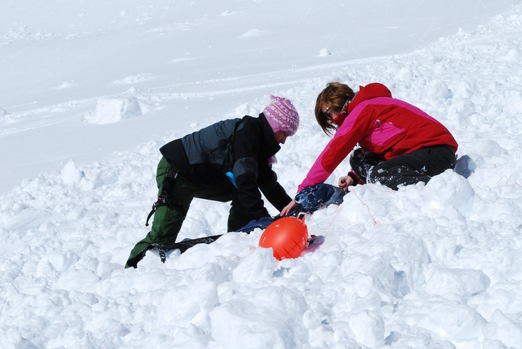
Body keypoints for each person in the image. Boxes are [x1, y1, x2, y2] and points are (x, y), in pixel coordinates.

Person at [126, 96, 300, 268]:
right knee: (162, 235)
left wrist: (292, 209)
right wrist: (262, 218)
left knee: (243, 195)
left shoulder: (258, 142)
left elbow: (267, 183)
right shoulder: (248, 133)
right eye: (284, 133)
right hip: (177, 171)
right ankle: (132, 269)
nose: (284, 140)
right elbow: (245, 179)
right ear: (274, 126)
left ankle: (238, 239)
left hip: (199, 175)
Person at [281, 82, 458, 215]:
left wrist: (302, 192)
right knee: (360, 157)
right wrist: (354, 177)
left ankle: (434, 192)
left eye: (327, 114)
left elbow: (334, 151)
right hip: (424, 152)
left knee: (379, 174)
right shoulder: (367, 108)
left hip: (437, 152)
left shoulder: (363, 109)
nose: (331, 121)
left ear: (338, 103)